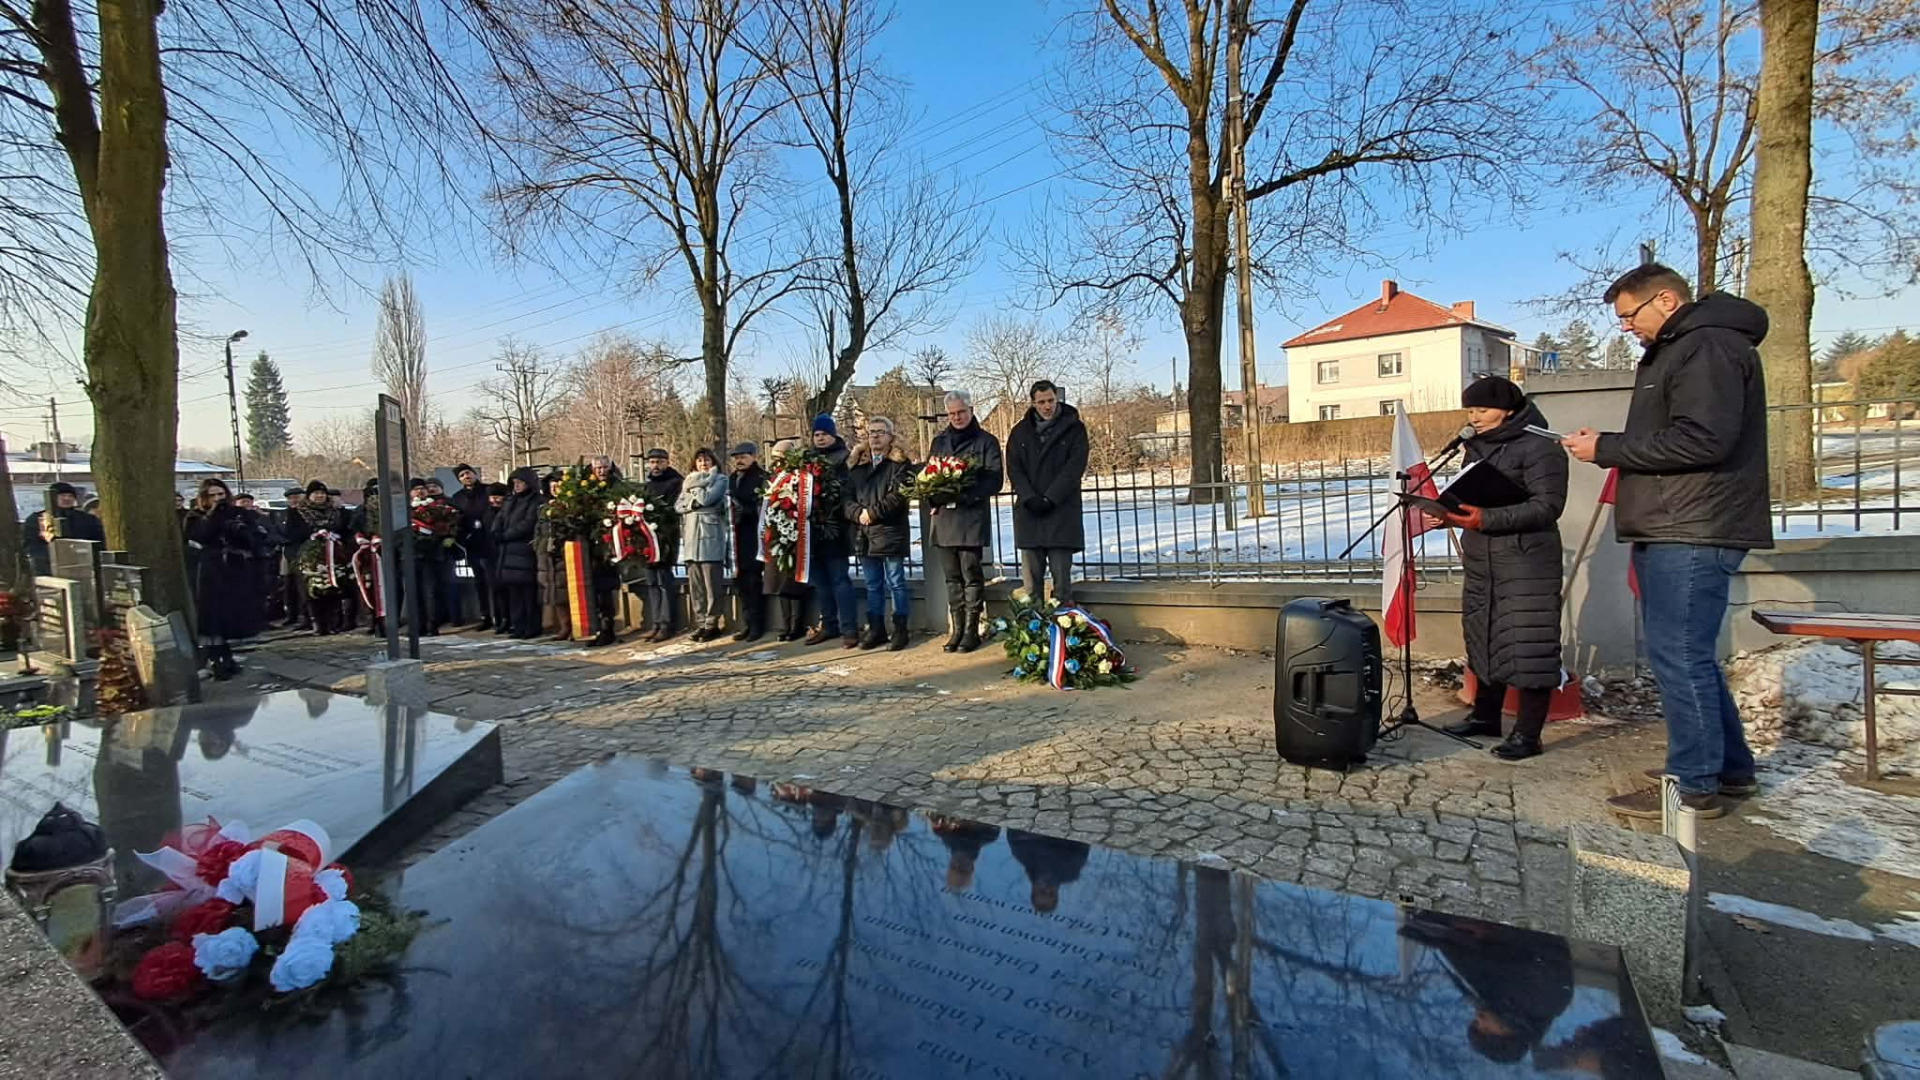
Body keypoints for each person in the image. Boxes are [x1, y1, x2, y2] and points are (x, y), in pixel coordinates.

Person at [1562, 263, 1772, 820]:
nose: (1626, 327)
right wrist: (1611, 444)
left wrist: (1608, 447)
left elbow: (1704, 440)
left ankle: (1693, 784)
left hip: (1696, 525)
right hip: (1675, 521)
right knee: (1685, 656)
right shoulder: (1685, 348)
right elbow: (1676, 435)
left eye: (1630, 315)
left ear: (1666, 300)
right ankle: (1728, 769)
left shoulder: (1708, 348)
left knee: (1680, 658)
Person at [1423, 376, 1569, 761]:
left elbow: (1547, 506)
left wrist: (1483, 519)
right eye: (1470, 410)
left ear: (1508, 409)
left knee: (1528, 642)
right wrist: (1452, 516)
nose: (1476, 417)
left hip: (1526, 560)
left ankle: (1528, 734)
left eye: (1483, 410)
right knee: (1484, 635)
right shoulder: (1475, 448)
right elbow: (1475, 495)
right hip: (1482, 558)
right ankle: (1486, 716)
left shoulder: (1541, 447)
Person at [926, 390, 1004, 653]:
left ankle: (971, 630)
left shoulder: (986, 441)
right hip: (945, 519)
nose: (957, 417)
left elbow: (995, 480)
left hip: (970, 517)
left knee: (971, 574)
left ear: (971, 410)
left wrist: (964, 494)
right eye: (951, 414)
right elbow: (929, 475)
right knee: (951, 578)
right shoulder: (939, 442)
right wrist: (935, 496)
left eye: (961, 412)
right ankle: (956, 629)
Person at [1007, 379, 1089, 605]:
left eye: (1051, 400)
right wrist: (1030, 497)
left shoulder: (1075, 429)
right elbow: (1014, 468)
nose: (1047, 406)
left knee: (1062, 585)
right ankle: (1033, 633)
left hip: (1061, 512)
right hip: (1030, 512)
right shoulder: (1020, 432)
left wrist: (1050, 498)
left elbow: (1074, 468)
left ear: (1057, 398)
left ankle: (1062, 634)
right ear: (1033, 403)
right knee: (1031, 587)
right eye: (1041, 402)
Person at [844, 416, 914, 651]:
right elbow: (846, 498)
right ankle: (876, 629)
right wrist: (858, 514)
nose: (875, 436)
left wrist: (872, 513)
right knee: (873, 584)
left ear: (890, 436)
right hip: (864, 533)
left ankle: (900, 630)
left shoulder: (900, 464)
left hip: (889, 530)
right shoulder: (856, 466)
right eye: (871, 432)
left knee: (895, 581)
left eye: (880, 432)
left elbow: (897, 496)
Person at [182, 479, 255, 679]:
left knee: (230, 615)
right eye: (212, 495)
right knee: (212, 616)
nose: (217, 499)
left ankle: (228, 657)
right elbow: (198, 536)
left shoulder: (237, 514)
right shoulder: (195, 516)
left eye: (220, 495)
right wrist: (213, 514)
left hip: (233, 570)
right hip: (210, 572)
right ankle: (216, 659)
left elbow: (250, 537)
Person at [803, 415, 860, 648]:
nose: (820, 438)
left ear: (833, 435)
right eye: (817, 435)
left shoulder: (844, 458)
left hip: (835, 529)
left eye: (824, 434)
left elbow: (847, 490)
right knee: (820, 583)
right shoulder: (806, 460)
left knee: (839, 580)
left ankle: (849, 628)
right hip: (811, 531)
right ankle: (829, 625)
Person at [676, 447, 730, 641]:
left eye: (706, 460)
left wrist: (695, 490)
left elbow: (707, 498)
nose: (703, 463)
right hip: (691, 542)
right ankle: (700, 622)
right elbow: (679, 506)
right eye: (699, 460)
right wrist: (694, 502)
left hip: (710, 540)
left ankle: (712, 623)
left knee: (712, 587)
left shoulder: (720, 480)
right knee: (696, 587)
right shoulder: (687, 481)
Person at [761, 440, 811, 642]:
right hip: (776, 533)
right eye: (775, 457)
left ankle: (797, 625)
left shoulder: (799, 477)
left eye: (782, 457)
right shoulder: (771, 478)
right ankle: (785, 623)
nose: (778, 461)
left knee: (794, 580)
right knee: (780, 582)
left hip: (795, 531)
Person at [493, 467, 546, 639]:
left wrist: (506, 535)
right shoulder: (510, 501)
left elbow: (528, 523)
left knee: (528, 593)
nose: (516, 486)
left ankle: (532, 626)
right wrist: (495, 532)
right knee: (514, 593)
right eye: (514, 483)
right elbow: (500, 518)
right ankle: (518, 625)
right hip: (508, 553)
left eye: (519, 483)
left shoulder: (536, 501)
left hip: (524, 550)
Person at [293, 480, 350, 635]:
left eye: (322, 493)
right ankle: (317, 623)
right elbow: (293, 534)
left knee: (333, 588)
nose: (319, 496)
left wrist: (334, 535)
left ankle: (333, 623)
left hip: (333, 555)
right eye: (316, 493)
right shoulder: (298, 512)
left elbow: (344, 529)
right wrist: (313, 535)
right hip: (309, 557)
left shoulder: (335, 511)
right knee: (314, 589)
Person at [640, 449, 684, 643]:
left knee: (664, 581)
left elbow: (672, 509)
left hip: (665, 538)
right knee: (651, 581)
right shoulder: (647, 485)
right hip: (646, 539)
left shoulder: (675, 482)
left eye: (659, 462)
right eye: (651, 462)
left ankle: (667, 623)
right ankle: (656, 622)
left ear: (667, 462)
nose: (655, 466)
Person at [727, 442, 768, 642]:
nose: (739, 461)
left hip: (754, 535)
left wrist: (745, 510)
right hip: (736, 536)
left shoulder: (761, 477)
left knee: (753, 582)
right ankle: (747, 622)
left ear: (753, 456)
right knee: (740, 583)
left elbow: (763, 505)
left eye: (743, 457)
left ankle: (757, 625)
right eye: (736, 457)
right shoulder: (732, 479)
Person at [22, 482, 106, 575]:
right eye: (62, 495)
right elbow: (31, 544)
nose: (67, 498)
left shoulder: (87, 519)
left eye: (70, 496)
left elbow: (99, 540)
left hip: (81, 565)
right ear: (52, 497)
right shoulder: (37, 519)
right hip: (47, 567)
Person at [450, 464, 496, 631]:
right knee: (479, 582)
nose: (466, 476)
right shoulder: (458, 497)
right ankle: (485, 616)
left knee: (494, 581)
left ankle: (500, 614)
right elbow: (456, 519)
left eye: (468, 473)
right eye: (461, 475)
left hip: (491, 541)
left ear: (475, 474)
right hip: (472, 544)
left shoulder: (488, 490)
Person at [537, 470, 569, 640]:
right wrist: (539, 547)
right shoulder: (544, 508)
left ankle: (575, 626)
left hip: (567, 552)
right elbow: (538, 531)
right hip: (547, 554)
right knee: (556, 594)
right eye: (552, 486)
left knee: (569, 591)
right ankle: (563, 627)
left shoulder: (571, 504)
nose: (555, 488)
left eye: (559, 485)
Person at [275, 487, 310, 630]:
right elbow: (276, 530)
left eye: (297, 497)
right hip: (287, 551)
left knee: (302, 586)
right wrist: (281, 540)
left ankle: (305, 616)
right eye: (291, 498)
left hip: (303, 551)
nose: (294, 500)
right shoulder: (282, 515)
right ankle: (291, 615)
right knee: (288, 585)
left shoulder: (307, 513)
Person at [485, 482, 512, 636]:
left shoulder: (507, 511)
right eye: (492, 497)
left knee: (507, 590)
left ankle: (509, 619)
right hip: (490, 555)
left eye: (498, 497)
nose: (495, 500)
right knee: (496, 589)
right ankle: (501, 618)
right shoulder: (487, 512)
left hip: (505, 553)